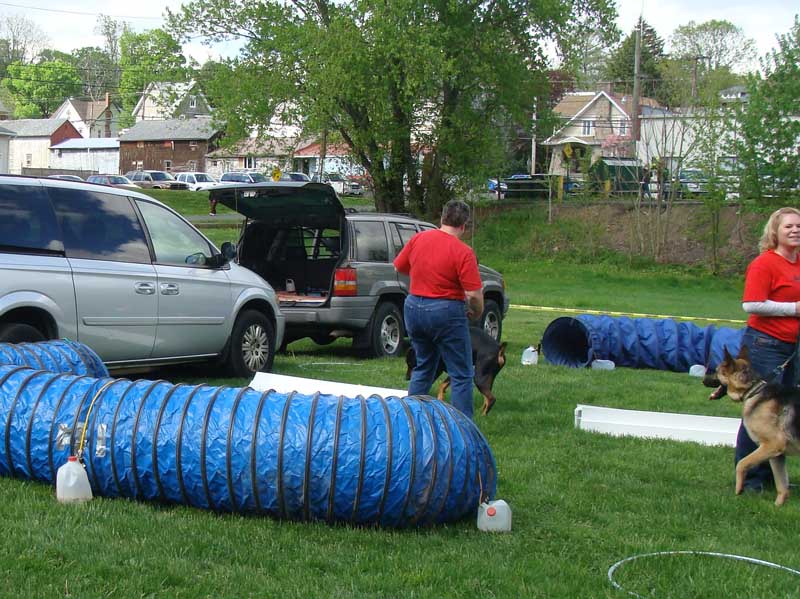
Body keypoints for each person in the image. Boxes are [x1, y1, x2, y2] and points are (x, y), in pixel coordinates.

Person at [393, 200, 484, 418]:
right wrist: (477, 312)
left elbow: (399, 266)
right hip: (446, 311)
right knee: (461, 373)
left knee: (424, 365)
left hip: (414, 307)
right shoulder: (463, 251)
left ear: (441, 219)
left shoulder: (418, 238)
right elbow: (473, 294)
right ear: (464, 225)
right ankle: (463, 429)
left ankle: (410, 419)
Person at [736, 206, 800, 491]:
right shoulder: (765, 264)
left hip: (792, 346)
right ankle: (751, 480)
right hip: (765, 344)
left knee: (785, 413)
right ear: (775, 232)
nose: (796, 230)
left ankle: (778, 482)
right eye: (789, 226)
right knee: (759, 412)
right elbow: (751, 304)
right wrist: (794, 309)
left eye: (799, 226)